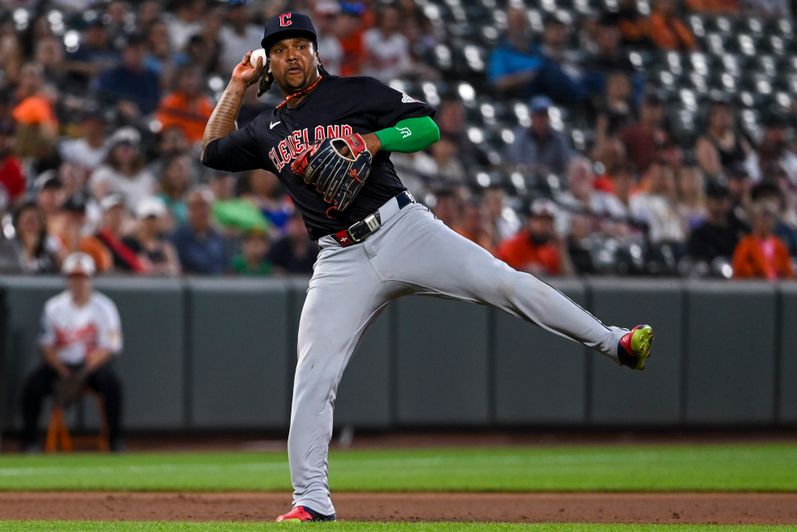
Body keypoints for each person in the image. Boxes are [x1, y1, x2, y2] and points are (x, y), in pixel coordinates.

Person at [200, 12, 654, 522]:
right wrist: (237, 85)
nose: (292, 55)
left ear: (315, 51)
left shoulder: (357, 92)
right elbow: (212, 150)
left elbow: (426, 125)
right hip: (339, 256)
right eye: (280, 49)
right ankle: (311, 501)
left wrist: (372, 142)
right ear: (271, 63)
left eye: (301, 44)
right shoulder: (267, 127)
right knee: (312, 375)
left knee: (506, 283)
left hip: (402, 228)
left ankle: (614, 342)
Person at [20, 252, 124, 452]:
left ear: (90, 279)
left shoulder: (104, 307)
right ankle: (29, 442)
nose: (78, 282)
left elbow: (109, 347)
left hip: (90, 365)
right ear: (67, 279)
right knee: (32, 386)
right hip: (62, 364)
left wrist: (84, 370)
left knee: (113, 385)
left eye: (82, 277)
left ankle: (115, 441)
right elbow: (46, 345)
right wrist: (61, 369)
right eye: (74, 277)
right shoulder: (54, 307)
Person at [505, 96, 573, 181]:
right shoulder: (519, 136)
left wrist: (550, 172)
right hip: (525, 183)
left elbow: (567, 166)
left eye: (545, 115)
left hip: (552, 183)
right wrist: (535, 169)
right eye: (538, 115)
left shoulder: (558, 138)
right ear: (531, 117)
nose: (541, 119)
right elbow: (511, 166)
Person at [496, 199, 565, 276]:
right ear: (529, 221)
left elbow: (567, 278)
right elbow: (499, 273)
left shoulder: (550, 250)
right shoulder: (511, 245)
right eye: (539, 220)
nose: (543, 226)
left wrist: (562, 248)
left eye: (548, 222)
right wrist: (523, 270)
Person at [171, 186, 229, 274]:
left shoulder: (220, 237)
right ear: (188, 210)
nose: (201, 211)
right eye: (195, 207)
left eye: (204, 206)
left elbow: (227, 269)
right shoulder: (177, 238)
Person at [732, 201, 795, 279]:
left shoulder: (779, 245)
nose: (766, 221)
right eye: (762, 217)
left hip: (779, 287)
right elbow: (739, 271)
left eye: (769, 217)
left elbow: (788, 272)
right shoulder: (745, 245)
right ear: (754, 220)